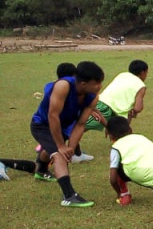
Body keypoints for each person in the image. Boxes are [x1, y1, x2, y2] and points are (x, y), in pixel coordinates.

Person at [29, 60, 104, 207]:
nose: (100, 86)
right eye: (96, 83)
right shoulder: (63, 86)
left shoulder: (93, 96)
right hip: (42, 124)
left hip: (62, 126)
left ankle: (41, 170)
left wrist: (71, 147)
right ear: (83, 83)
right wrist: (61, 146)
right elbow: (53, 115)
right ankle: (69, 196)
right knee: (58, 154)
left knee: (53, 150)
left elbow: (81, 123)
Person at [85, 59, 149, 131]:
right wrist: (135, 110)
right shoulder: (141, 85)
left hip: (106, 104)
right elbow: (137, 108)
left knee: (122, 129)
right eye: (146, 72)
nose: (146, 75)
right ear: (142, 72)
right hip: (107, 107)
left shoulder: (122, 75)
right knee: (82, 125)